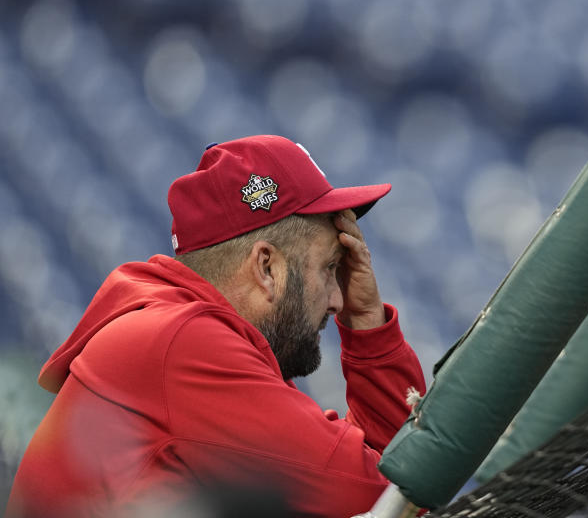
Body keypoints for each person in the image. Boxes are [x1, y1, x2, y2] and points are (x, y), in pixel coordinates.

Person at [5, 135, 426, 518]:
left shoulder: (184, 333)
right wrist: (371, 335)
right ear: (267, 267)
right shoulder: (182, 342)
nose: (338, 299)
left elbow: (393, 485)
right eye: (330, 267)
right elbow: (392, 492)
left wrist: (369, 323)